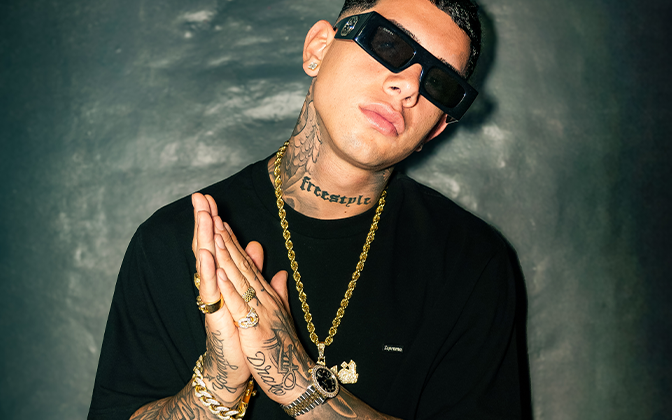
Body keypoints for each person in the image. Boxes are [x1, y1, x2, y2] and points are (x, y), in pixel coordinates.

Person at [88, 0, 523, 419]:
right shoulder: (175, 239)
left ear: (438, 126)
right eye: (389, 44)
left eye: (440, 84)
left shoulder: (471, 261)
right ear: (318, 49)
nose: (408, 86)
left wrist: (297, 382)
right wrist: (219, 385)